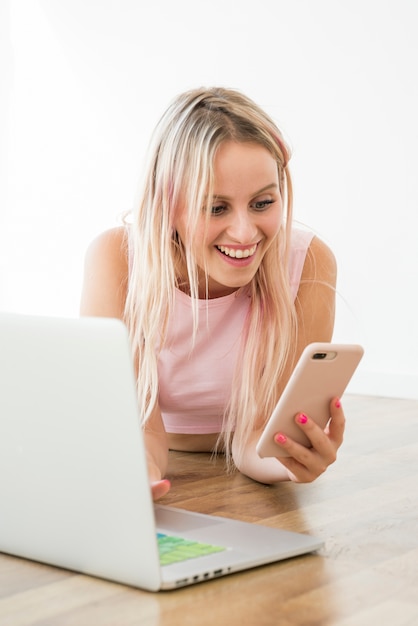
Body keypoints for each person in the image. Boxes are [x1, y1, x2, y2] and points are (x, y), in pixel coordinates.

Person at [80, 86, 344, 501]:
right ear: (168, 206)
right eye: (216, 208)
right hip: (170, 460)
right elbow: (141, 430)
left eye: (262, 203)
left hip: (245, 477)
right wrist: (136, 472)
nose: (244, 232)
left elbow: (257, 439)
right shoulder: (118, 259)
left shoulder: (309, 263)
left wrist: (289, 458)